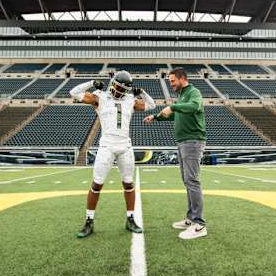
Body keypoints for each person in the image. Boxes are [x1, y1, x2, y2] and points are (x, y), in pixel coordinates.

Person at [69, 71, 156, 238]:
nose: (119, 90)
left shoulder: (130, 100)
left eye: (123, 88)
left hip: (125, 146)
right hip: (107, 146)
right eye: (117, 86)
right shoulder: (100, 97)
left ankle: (130, 219)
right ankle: (89, 221)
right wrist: (92, 82)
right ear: (112, 83)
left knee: (129, 184)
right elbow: (74, 93)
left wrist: (142, 93)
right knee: (97, 184)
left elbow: (151, 105)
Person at [143, 67, 207, 240]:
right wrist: (156, 117)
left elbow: (195, 106)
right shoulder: (181, 96)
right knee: (187, 180)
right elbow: (175, 115)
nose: (170, 84)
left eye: (172, 81)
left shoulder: (193, 92)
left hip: (193, 141)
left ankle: (199, 224)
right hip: (183, 142)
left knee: (192, 180)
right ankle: (190, 218)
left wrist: (172, 106)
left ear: (182, 79)